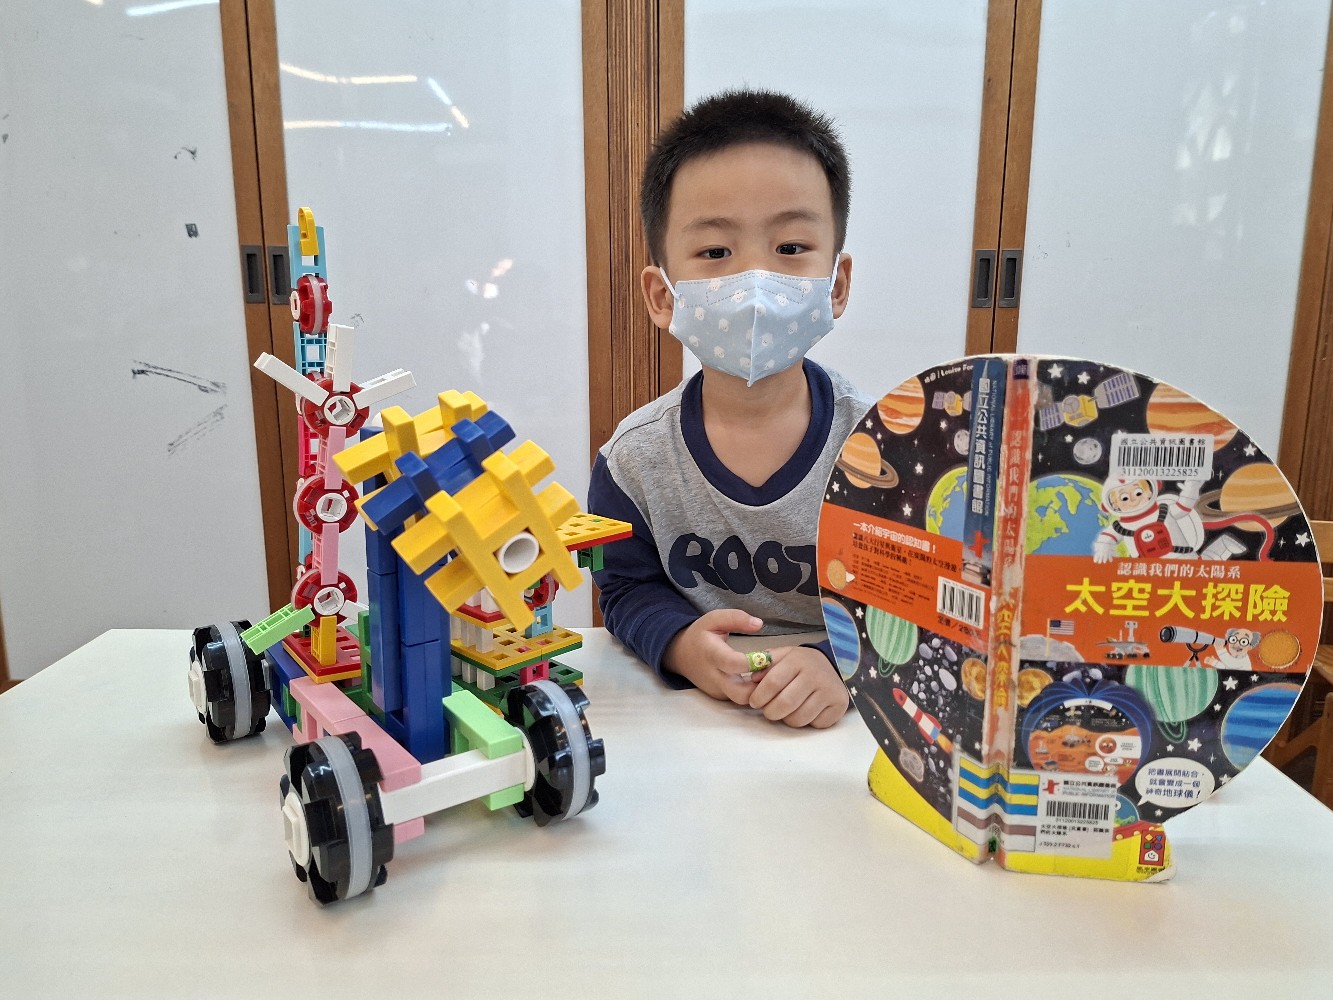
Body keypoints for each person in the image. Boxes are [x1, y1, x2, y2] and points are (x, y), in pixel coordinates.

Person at [588, 89, 871, 729]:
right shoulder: (633, 463)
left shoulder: (883, 449)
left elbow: (914, 607)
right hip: (688, 726)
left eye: (791, 248)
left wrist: (845, 666)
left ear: (837, 284)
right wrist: (680, 645)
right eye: (716, 253)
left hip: (846, 734)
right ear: (663, 296)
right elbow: (625, 587)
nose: (755, 283)